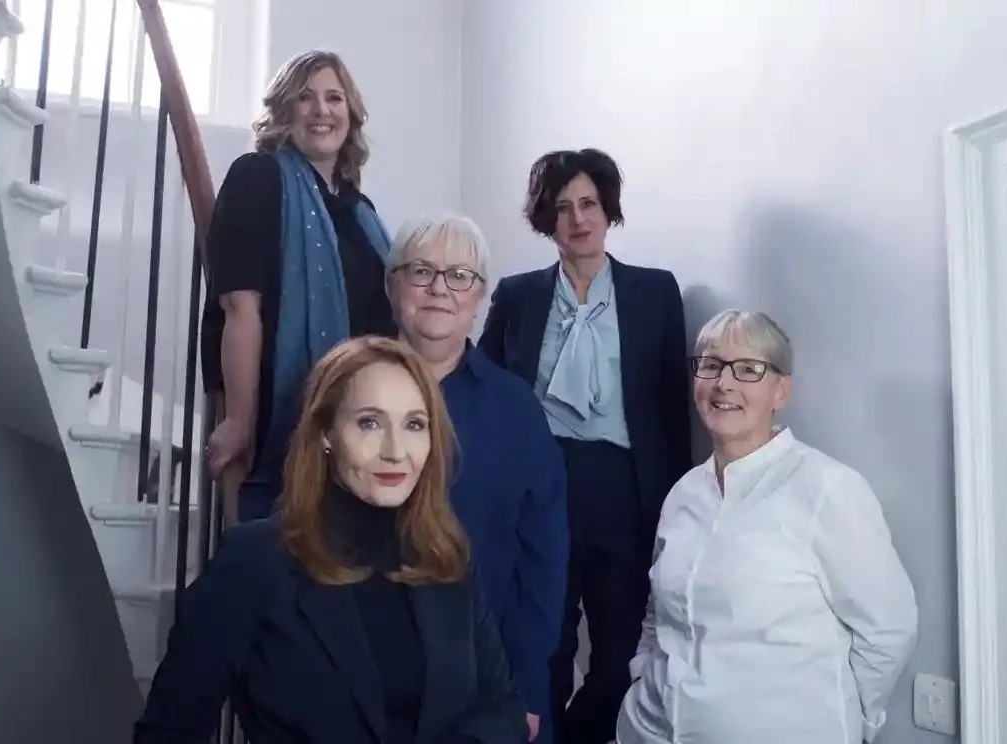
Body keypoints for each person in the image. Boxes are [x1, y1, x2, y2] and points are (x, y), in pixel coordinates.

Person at [135, 336, 529, 744]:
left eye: (414, 425)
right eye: (369, 423)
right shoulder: (253, 561)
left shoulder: (445, 556)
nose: (396, 451)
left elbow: (502, 710)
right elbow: (168, 731)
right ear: (325, 433)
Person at [617, 309, 919, 744]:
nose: (724, 383)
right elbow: (659, 612)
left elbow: (888, 631)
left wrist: (853, 722)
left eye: (748, 369)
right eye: (711, 365)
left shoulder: (827, 490)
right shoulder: (683, 493)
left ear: (781, 391)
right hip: (649, 728)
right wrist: (641, 672)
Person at [478, 149, 692, 744]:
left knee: (620, 651)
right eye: (563, 206)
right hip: (542, 482)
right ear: (546, 218)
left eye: (589, 203)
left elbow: (672, 409)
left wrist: (675, 506)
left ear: (608, 210)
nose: (578, 218)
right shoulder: (518, 296)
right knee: (543, 640)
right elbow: (488, 392)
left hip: (623, 487)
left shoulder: (654, 292)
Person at [386, 213, 569, 742]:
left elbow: (544, 557)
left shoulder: (517, 409)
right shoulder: (341, 389)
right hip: (363, 670)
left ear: (480, 296)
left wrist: (528, 685)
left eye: (460, 275)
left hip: (485, 679)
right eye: (421, 271)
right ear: (391, 284)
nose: (440, 289)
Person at [200, 50, 397, 526]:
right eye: (305, 97)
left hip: (360, 429)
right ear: (284, 111)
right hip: (283, 418)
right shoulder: (257, 177)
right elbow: (239, 309)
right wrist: (239, 418)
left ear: (351, 114)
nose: (321, 110)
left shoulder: (362, 212)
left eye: (334, 98)